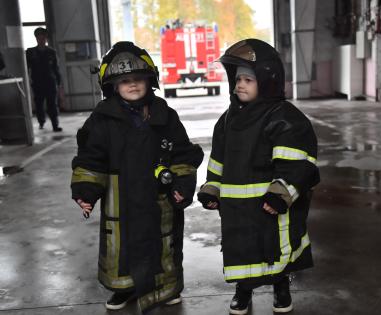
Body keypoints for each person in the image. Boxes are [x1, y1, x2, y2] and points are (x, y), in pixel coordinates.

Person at [70, 41, 203, 312]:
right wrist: (85, 190)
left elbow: (182, 154)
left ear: (150, 80)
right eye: (125, 80)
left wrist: (182, 183)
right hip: (120, 200)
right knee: (121, 247)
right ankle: (124, 288)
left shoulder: (165, 115)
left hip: (159, 199)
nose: (132, 85)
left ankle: (166, 289)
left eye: (138, 79)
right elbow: (90, 158)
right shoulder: (101, 120)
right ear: (112, 86)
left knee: (164, 243)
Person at [197, 38, 320, 314]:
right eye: (238, 78)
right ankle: (243, 291)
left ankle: (281, 287)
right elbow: (218, 161)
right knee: (242, 247)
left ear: (267, 80)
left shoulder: (284, 118)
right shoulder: (227, 120)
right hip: (238, 208)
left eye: (248, 80)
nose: (240, 84)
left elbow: (299, 164)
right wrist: (212, 188)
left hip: (271, 206)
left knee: (275, 249)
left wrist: (281, 194)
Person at [26, 27, 62, 131]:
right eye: (39, 38)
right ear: (36, 39)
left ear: (46, 39)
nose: (41, 40)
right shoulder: (31, 52)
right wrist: (28, 79)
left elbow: (56, 68)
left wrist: (59, 82)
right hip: (37, 82)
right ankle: (41, 122)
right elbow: (26, 68)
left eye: (43, 38)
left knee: (52, 104)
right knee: (39, 104)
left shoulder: (51, 52)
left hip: (50, 82)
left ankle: (55, 125)